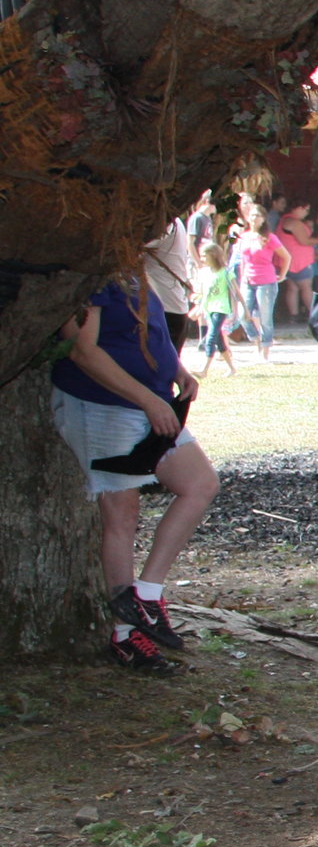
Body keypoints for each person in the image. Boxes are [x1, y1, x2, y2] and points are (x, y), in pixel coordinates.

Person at [51, 274, 220, 672]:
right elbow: (83, 351)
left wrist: (177, 370)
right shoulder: (92, 274)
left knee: (200, 484)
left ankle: (145, 594)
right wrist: (147, 400)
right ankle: (126, 636)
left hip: (150, 404)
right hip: (102, 405)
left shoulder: (132, 268)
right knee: (121, 512)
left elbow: (147, 331)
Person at [230, 199, 286, 360]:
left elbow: (285, 256)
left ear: (263, 218)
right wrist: (241, 280)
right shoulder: (244, 237)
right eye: (252, 215)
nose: (254, 218)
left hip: (266, 281)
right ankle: (256, 342)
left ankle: (265, 353)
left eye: (258, 215)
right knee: (243, 315)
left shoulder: (269, 237)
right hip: (248, 280)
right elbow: (242, 261)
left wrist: (281, 274)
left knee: (265, 317)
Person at [140, 220, 195, 351]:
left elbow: (132, 249)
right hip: (167, 306)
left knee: (161, 366)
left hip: (166, 307)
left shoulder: (167, 223)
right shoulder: (173, 222)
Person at [191, 241, 239, 380]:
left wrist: (241, 309)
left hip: (221, 308)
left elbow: (235, 291)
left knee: (210, 338)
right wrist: (198, 304)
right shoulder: (205, 272)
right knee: (219, 340)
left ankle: (204, 370)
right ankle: (232, 368)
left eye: (204, 256)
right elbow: (204, 293)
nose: (202, 259)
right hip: (209, 308)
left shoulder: (225, 272)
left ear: (213, 255)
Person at [276, 201, 318, 327]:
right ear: (296, 208)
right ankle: (316, 315)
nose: (306, 213)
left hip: (288, 261)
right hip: (300, 261)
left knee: (292, 288)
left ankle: (294, 316)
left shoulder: (284, 220)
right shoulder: (294, 222)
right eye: (305, 209)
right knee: (306, 288)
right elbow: (304, 241)